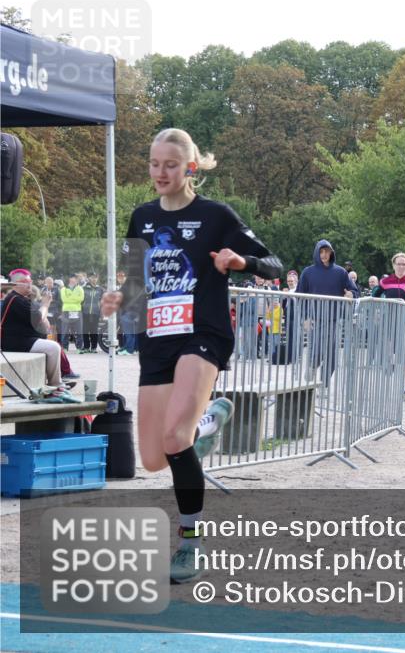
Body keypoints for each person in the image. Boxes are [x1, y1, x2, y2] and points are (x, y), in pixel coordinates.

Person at [101, 128, 282, 584]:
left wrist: (242, 263)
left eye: (170, 165)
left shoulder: (215, 216)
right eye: (154, 164)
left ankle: (190, 543)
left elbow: (275, 264)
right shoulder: (141, 217)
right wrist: (119, 299)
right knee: (153, 459)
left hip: (204, 333)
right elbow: (135, 284)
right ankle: (207, 423)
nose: (160, 173)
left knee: (175, 437)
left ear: (190, 168)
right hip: (158, 341)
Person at [296, 239, 358, 381]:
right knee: (316, 352)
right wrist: (304, 317)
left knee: (332, 357)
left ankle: (324, 384)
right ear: (317, 252)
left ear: (332, 253)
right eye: (321, 251)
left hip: (335, 320)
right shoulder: (308, 272)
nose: (324, 254)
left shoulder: (341, 272)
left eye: (327, 251)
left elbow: (354, 291)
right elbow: (299, 296)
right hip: (315, 320)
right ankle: (310, 376)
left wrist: (351, 294)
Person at [1, 269, 67, 392]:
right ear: (17, 283)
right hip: (16, 341)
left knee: (53, 346)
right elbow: (38, 317)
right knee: (53, 348)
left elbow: (40, 318)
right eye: (27, 282)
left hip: (23, 338)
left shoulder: (20, 298)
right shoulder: (15, 299)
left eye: (31, 281)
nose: (31, 284)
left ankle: (56, 381)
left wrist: (43, 310)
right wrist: (45, 305)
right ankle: (55, 384)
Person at [373, 252, 405, 401]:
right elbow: (374, 296)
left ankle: (403, 387)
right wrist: (377, 308)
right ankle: (389, 383)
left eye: (404, 264)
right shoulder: (385, 281)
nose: (401, 266)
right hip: (389, 320)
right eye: (399, 264)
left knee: (403, 354)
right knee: (389, 353)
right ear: (393, 265)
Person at [59, 274, 84, 352]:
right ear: (69, 279)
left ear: (77, 280)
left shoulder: (80, 289)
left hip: (77, 311)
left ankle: (79, 348)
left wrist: (69, 298)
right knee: (65, 330)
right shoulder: (63, 289)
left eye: (75, 279)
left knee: (79, 331)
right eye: (72, 278)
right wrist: (74, 298)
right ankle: (65, 347)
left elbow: (81, 299)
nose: (73, 280)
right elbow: (64, 299)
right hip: (66, 311)